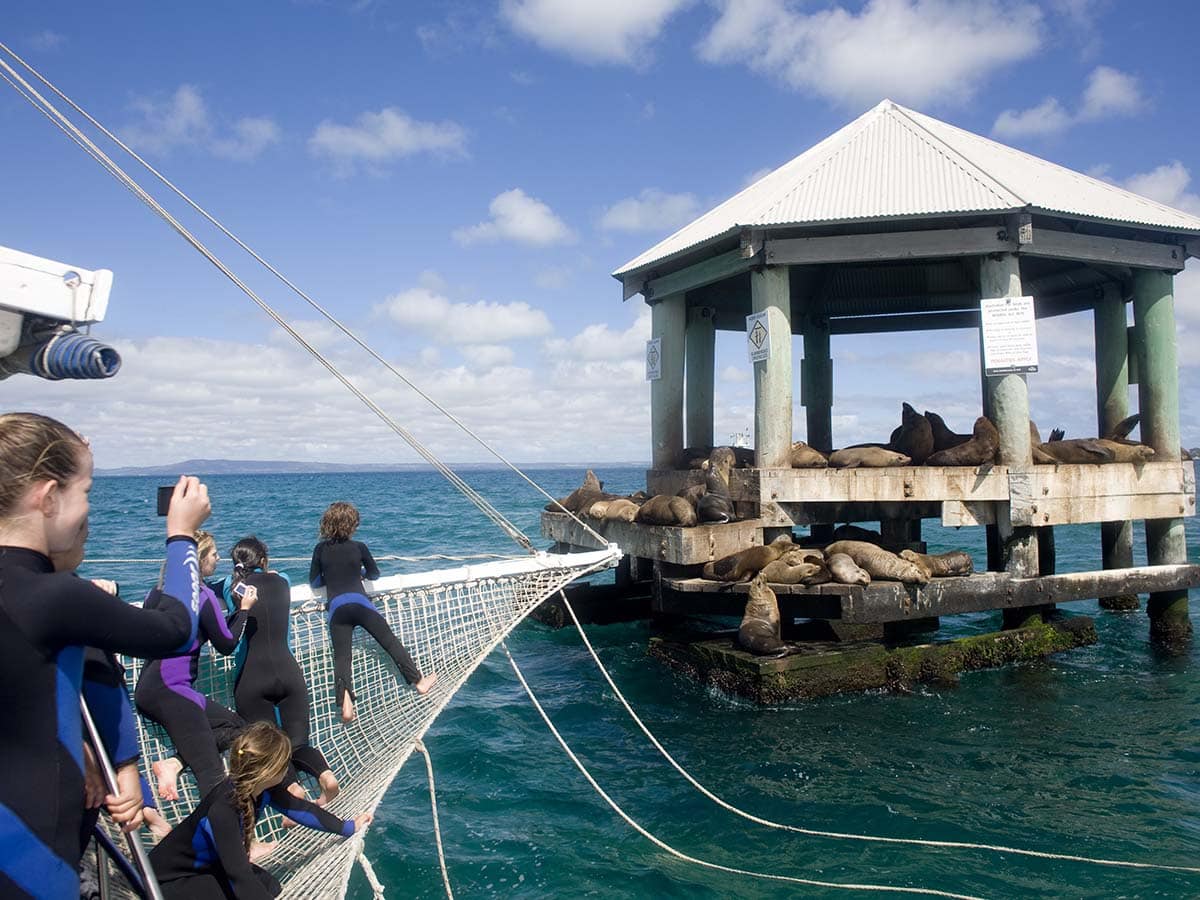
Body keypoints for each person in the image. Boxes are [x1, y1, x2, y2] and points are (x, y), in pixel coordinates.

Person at [0, 412, 209, 899]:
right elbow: (176, 629)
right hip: (33, 855)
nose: (88, 512)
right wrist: (182, 535)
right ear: (49, 498)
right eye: (86, 493)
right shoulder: (54, 597)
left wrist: (94, 751)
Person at [149, 721, 371, 900]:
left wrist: (348, 827)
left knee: (270, 885)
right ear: (270, 770)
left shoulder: (265, 789)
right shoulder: (223, 811)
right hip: (167, 880)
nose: (288, 769)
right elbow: (239, 876)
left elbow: (302, 810)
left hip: (209, 866)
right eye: (285, 763)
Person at [136, 530, 255, 801]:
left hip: (147, 689)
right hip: (172, 691)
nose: (218, 558)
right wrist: (245, 609)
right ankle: (233, 841)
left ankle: (175, 763)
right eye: (214, 554)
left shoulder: (154, 593)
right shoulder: (202, 597)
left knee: (236, 726)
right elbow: (226, 644)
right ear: (200, 561)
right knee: (212, 775)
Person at [229, 536, 339, 804]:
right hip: (289, 672)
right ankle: (325, 776)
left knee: (267, 748)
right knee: (298, 743)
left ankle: (292, 790)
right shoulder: (284, 581)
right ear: (264, 561)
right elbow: (280, 577)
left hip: (252, 677)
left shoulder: (232, 587)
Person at [309, 501, 436, 723]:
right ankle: (419, 682)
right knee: (391, 643)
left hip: (338, 609)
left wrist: (330, 576)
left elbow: (315, 581)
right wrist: (360, 573)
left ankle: (346, 703)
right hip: (361, 604)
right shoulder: (359, 547)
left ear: (327, 524)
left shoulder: (320, 549)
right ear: (352, 525)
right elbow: (374, 574)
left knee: (342, 658)